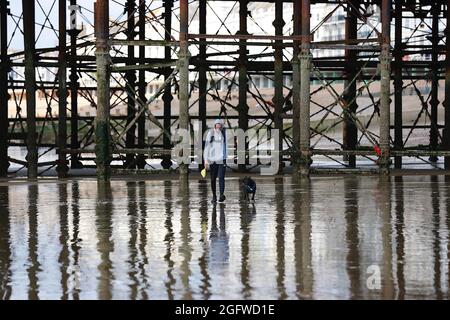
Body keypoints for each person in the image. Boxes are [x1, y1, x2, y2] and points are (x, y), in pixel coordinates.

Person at [204, 119, 227, 203]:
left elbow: (226, 146)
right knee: (213, 178)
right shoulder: (210, 134)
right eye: (217, 125)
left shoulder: (224, 134)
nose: (218, 126)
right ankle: (214, 196)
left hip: (222, 159)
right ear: (214, 126)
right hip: (212, 159)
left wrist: (226, 158)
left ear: (221, 126)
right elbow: (206, 147)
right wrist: (206, 160)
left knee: (221, 177)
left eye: (220, 125)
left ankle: (221, 194)